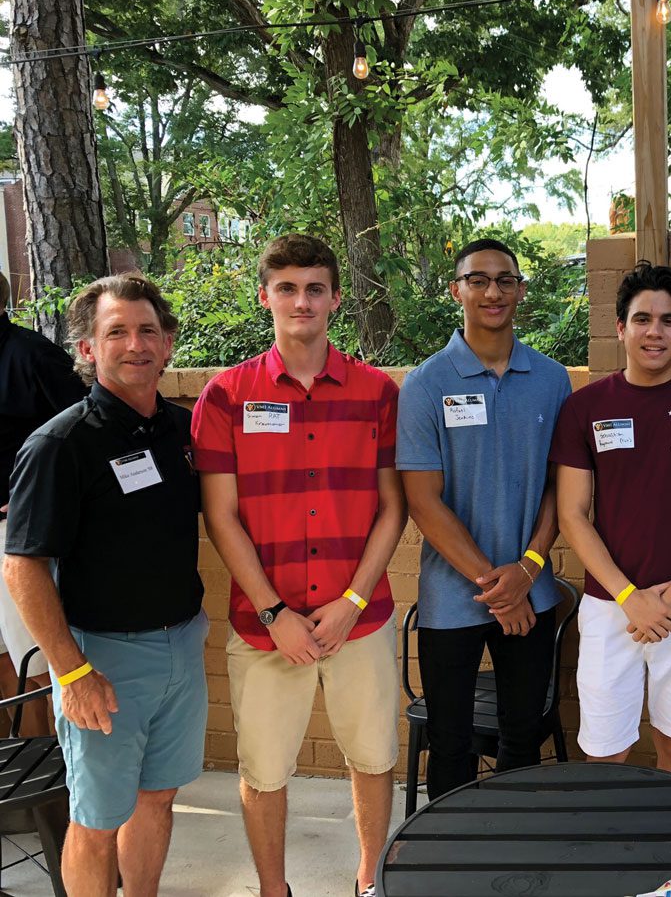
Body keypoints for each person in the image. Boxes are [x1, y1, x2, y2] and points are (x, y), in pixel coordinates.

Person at [192, 235, 405, 897]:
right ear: (265, 298)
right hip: (266, 628)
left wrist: (352, 600)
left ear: (336, 299)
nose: (301, 300)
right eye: (286, 288)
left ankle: (369, 880)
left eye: (315, 288)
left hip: (358, 621)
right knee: (264, 771)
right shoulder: (225, 396)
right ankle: (273, 890)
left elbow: (393, 510)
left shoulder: (376, 392)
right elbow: (221, 516)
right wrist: (274, 611)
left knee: (373, 759)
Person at [3, 273, 207, 896]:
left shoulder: (180, 430)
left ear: (169, 344)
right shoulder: (60, 444)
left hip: (182, 645)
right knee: (94, 820)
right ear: (88, 349)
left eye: (148, 330)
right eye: (116, 331)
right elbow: (22, 566)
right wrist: (70, 672)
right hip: (104, 659)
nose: (135, 344)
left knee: (157, 797)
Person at [552, 261, 671, 776]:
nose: (654, 332)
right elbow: (572, 515)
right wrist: (628, 598)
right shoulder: (585, 407)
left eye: (667, 320)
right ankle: (614, 853)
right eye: (642, 319)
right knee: (605, 751)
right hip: (609, 604)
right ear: (620, 328)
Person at [397, 237, 571, 801]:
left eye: (505, 280)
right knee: (451, 743)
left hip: (533, 596)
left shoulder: (552, 379)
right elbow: (424, 501)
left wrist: (528, 568)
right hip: (453, 601)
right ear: (457, 291)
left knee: (522, 741)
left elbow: (560, 489)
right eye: (478, 279)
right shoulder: (426, 384)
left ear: (520, 290)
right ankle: (450, 868)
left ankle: (512, 861)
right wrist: (498, 588)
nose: (492, 291)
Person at [0, 274, 86, 735]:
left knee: (34, 660)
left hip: (17, 533)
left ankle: (60, 772)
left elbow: (83, 429)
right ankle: (18, 768)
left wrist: (34, 498)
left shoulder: (34, 356)